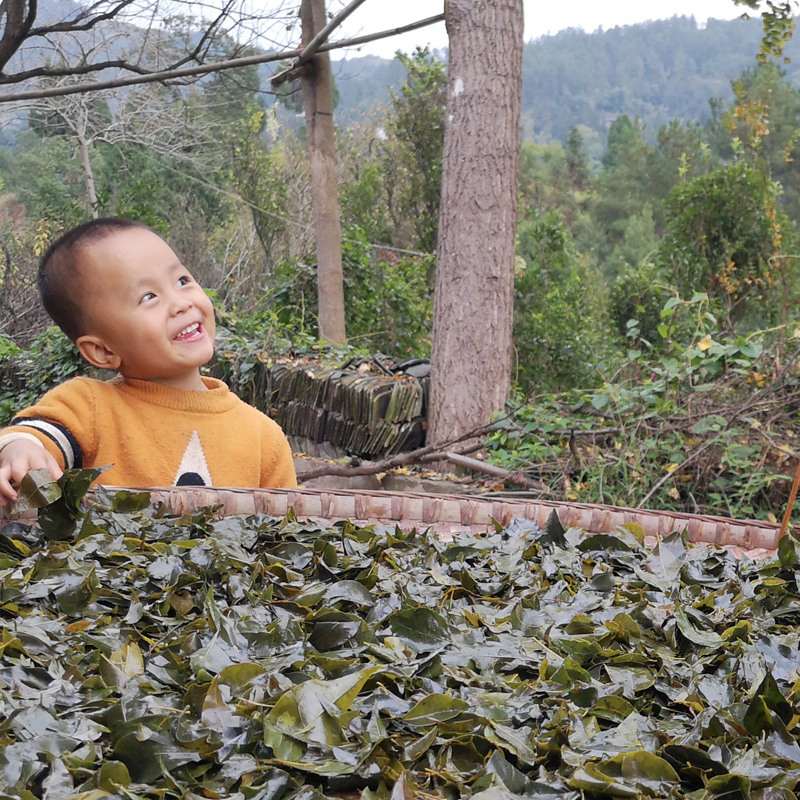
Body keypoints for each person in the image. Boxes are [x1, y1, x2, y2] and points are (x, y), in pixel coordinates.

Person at [0, 217, 296, 507]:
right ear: (102, 351)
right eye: (149, 297)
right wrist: (18, 448)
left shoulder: (262, 436)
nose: (182, 303)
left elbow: (288, 534)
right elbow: (37, 433)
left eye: (182, 280)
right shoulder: (90, 408)